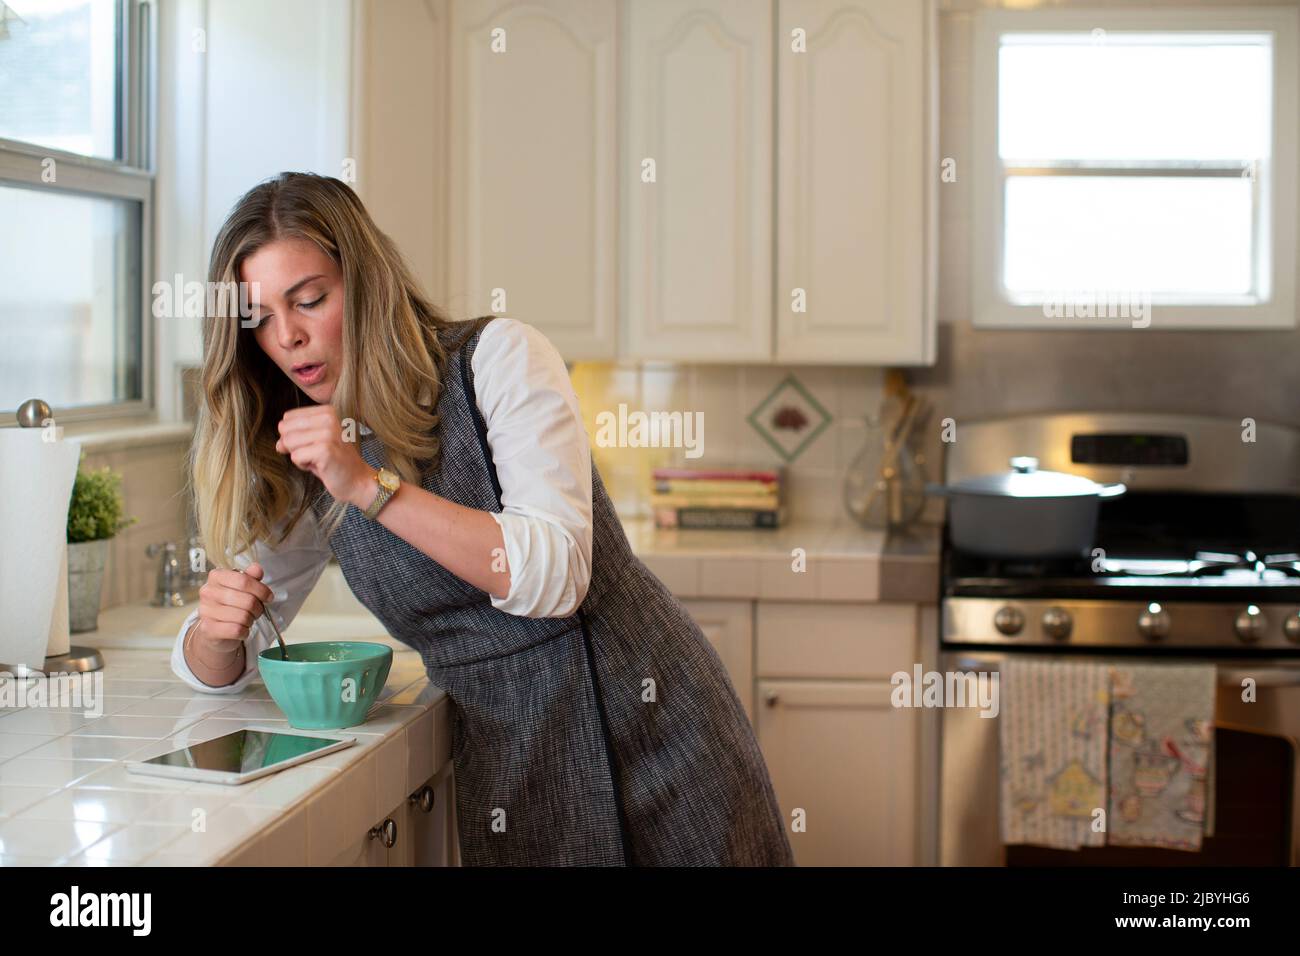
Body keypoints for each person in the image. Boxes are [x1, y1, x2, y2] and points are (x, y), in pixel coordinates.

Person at [170, 171, 795, 867]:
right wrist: (217, 638)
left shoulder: (496, 359)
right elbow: (228, 653)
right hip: (511, 748)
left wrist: (368, 485)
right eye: (257, 319)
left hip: (647, 721)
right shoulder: (298, 443)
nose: (287, 337)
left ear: (366, 284)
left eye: (310, 300)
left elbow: (557, 576)